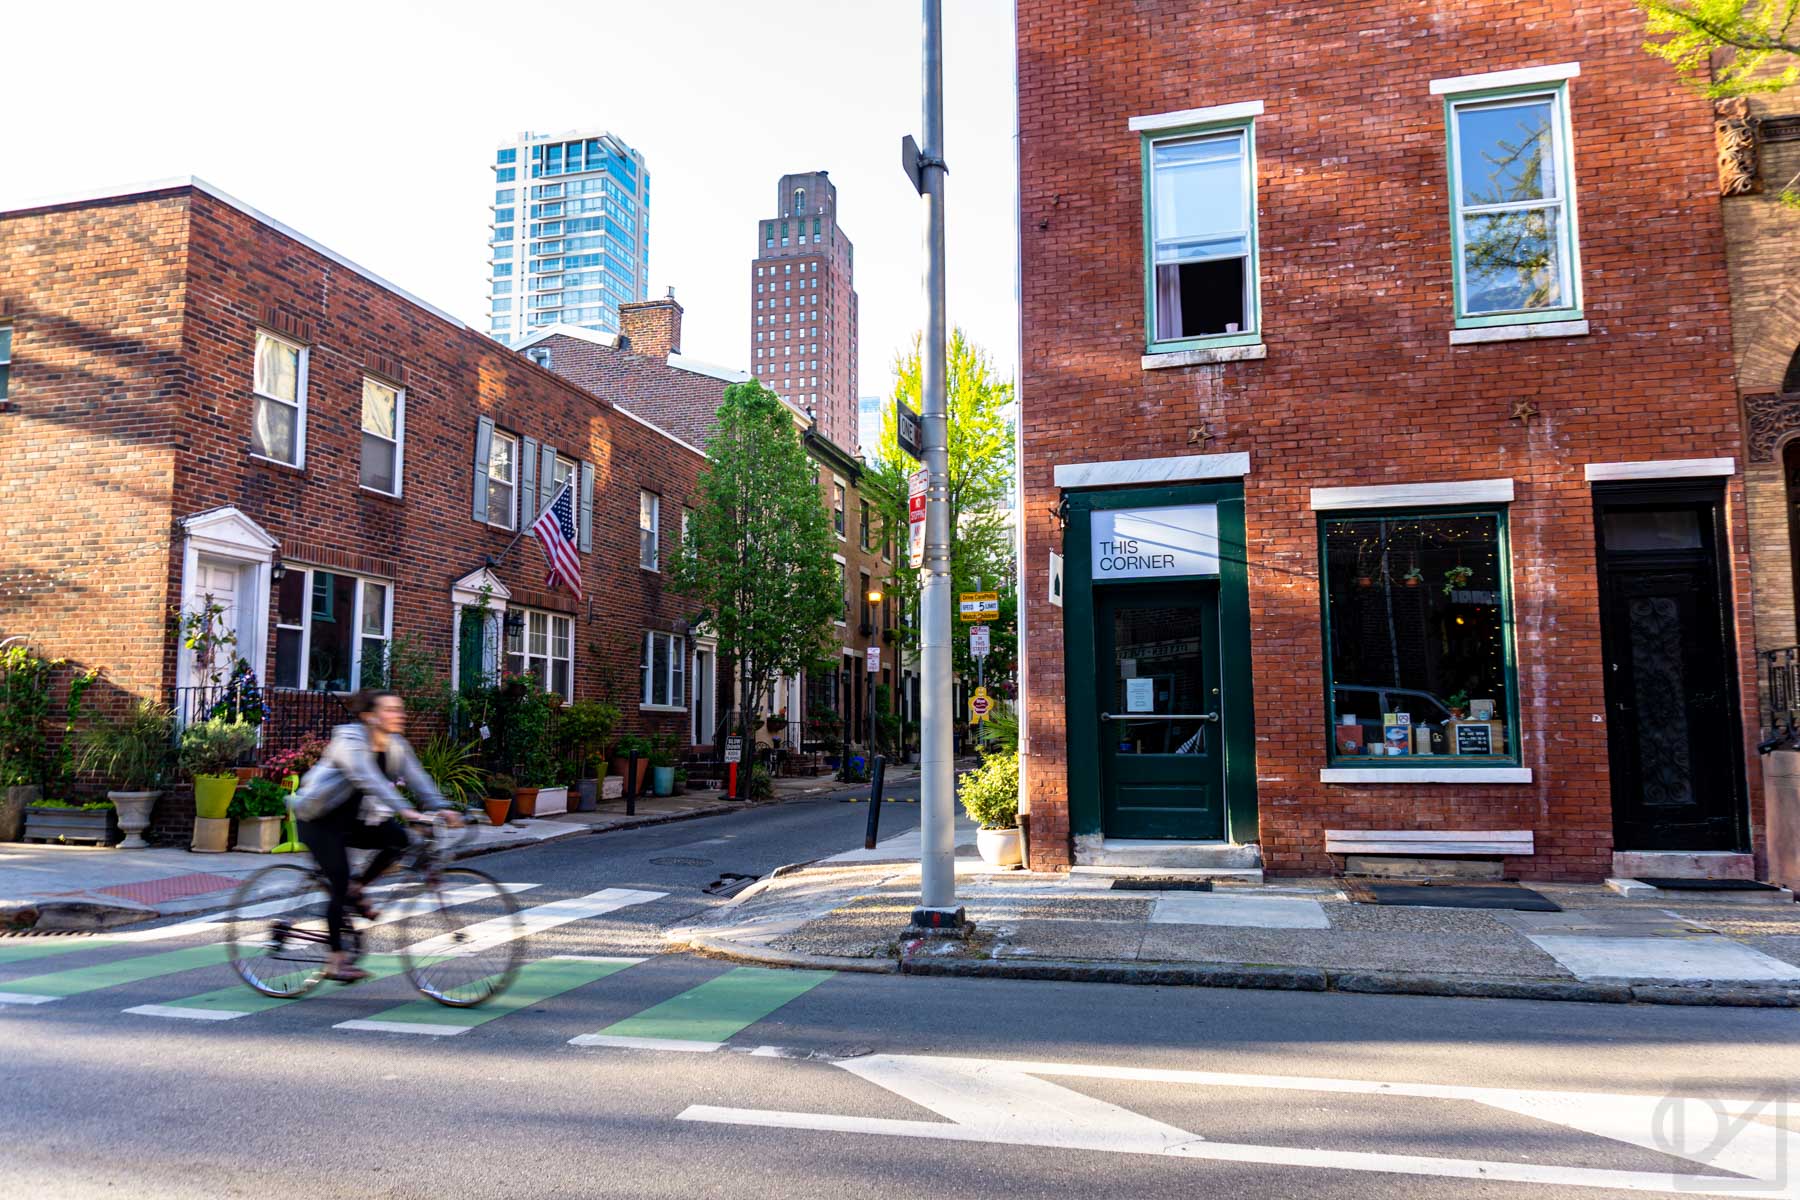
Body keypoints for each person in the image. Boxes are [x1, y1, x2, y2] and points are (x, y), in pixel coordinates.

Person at [292, 689, 461, 982]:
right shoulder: (349, 740)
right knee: (339, 881)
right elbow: (366, 777)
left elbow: (419, 779)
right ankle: (335, 960)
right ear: (370, 717)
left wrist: (442, 808)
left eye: (400, 709)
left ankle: (358, 889)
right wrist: (408, 813)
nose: (400, 714)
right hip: (321, 820)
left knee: (400, 841)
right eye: (391, 709)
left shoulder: (396, 745)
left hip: (358, 821)